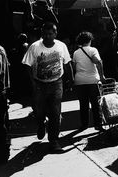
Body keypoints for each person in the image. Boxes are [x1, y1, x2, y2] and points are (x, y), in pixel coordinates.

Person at [22, 22, 73, 152]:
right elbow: (27, 65)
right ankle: (40, 124)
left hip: (56, 83)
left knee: (55, 113)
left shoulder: (61, 46)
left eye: (50, 34)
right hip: (39, 84)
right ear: (42, 34)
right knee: (40, 111)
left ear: (55, 34)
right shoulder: (34, 47)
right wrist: (32, 83)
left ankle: (54, 141)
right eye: (45, 34)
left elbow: (67, 63)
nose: (47, 36)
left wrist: (71, 79)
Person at [72, 31, 105, 131]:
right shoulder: (92, 50)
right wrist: (102, 75)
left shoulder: (76, 52)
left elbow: (74, 66)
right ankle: (98, 124)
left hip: (79, 81)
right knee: (95, 104)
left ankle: (84, 125)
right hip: (92, 81)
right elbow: (98, 62)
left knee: (83, 104)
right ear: (89, 40)